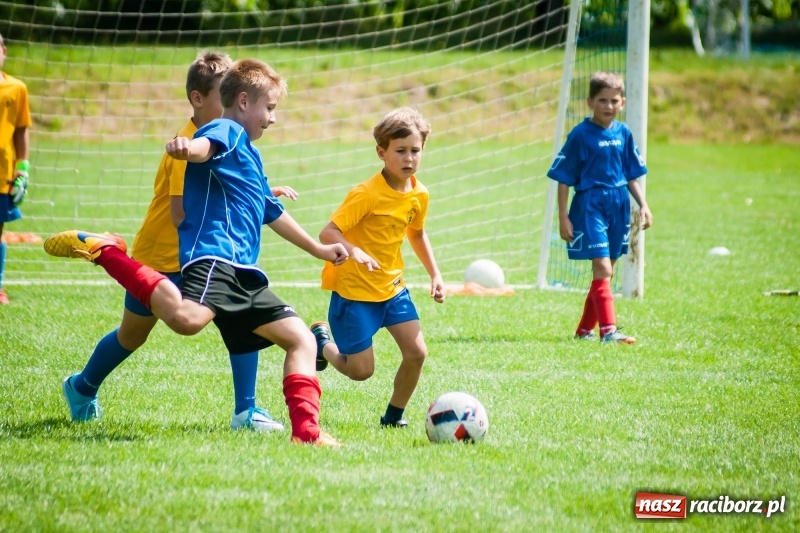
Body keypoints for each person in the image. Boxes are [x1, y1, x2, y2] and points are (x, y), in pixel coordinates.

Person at [44, 58, 348, 446]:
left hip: (244, 274)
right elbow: (207, 145)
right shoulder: (227, 129)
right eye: (269, 108)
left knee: (302, 340)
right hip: (215, 259)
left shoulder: (251, 155)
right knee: (187, 320)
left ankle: (305, 434)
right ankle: (106, 252)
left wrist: (319, 250)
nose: (272, 119)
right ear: (242, 101)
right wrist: (189, 149)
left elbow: (272, 213)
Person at [310, 107, 445, 428]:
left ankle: (393, 417)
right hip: (355, 292)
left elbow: (417, 233)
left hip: (393, 289)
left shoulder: (419, 193)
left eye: (415, 151)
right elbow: (328, 233)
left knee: (417, 353)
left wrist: (435, 274)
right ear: (381, 152)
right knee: (360, 371)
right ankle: (321, 343)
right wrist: (354, 252)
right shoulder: (365, 194)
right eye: (400, 151)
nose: (408, 158)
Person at [547, 71, 653, 344]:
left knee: (605, 272)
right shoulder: (581, 135)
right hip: (590, 204)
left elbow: (632, 174)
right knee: (603, 268)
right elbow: (563, 179)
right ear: (589, 102)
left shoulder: (624, 133)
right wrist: (563, 217)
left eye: (614, 100)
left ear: (623, 103)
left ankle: (584, 331)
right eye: (602, 100)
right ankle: (609, 331)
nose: (608, 106)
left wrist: (643, 205)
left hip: (618, 205)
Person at [0, 32, 32, 305]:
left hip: (4, 174)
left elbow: (21, 130)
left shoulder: (17, 89)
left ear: (4, 51)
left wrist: (23, 167)